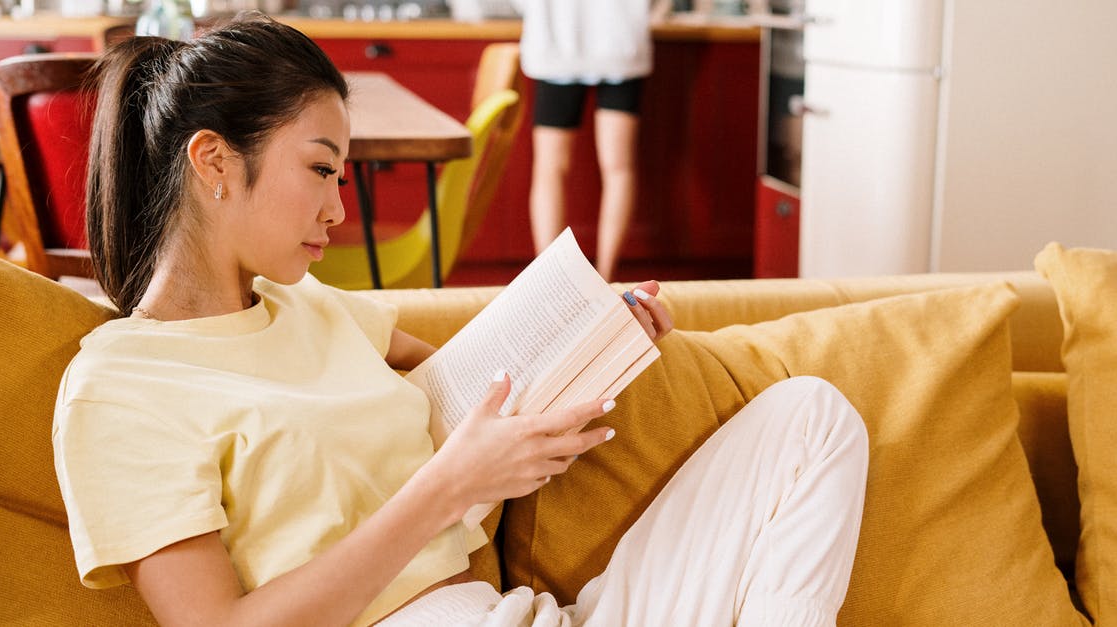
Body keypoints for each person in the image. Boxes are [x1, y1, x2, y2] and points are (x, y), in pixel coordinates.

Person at [53, 16, 869, 626]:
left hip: (519, 614)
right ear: (214, 162)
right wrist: (448, 487)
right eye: (320, 170)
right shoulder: (118, 383)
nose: (340, 208)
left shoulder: (315, 309)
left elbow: (484, 379)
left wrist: (596, 343)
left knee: (813, 419)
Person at [515, 0, 673, 281]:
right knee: (618, 168)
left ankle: (548, 282)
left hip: (556, 45)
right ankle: (607, 279)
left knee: (550, 169)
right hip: (621, 44)